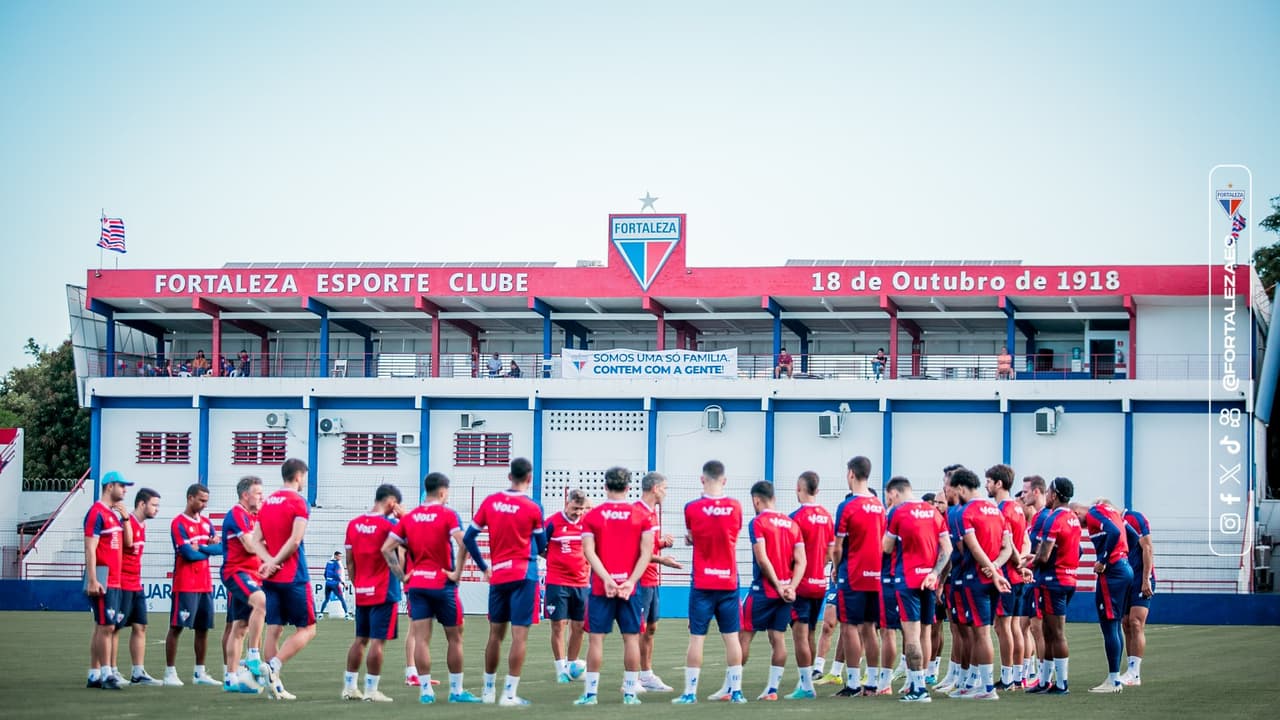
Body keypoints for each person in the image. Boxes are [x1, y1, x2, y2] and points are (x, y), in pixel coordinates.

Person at [385, 472, 483, 704]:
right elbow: (464, 542)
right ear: (442, 492)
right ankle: (456, 691)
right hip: (442, 583)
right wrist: (457, 573)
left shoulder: (410, 518)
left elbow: (387, 548)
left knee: (421, 639)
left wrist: (403, 576)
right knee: (455, 637)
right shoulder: (448, 514)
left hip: (417, 584)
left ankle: (426, 691)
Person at [463, 457, 547, 705]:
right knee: (519, 636)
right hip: (524, 573)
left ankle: (487, 691)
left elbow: (469, 538)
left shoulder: (491, 502)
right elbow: (542, 545)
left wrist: (483, 567)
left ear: (509, 476)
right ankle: (509, 694)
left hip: (498, 574)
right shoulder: (533, 507)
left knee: (495, 635)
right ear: (529, 478)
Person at [573, 467, 655, 706]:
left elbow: (588, 551)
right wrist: (629, 582)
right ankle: (630, 693)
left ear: (605, 486)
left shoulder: (593, 516)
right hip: (631, 589)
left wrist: (607, 579)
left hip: (601, 588)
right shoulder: (642, 516)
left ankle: (590, 694)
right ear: (629, 488)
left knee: (596, 640)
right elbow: (646, 553)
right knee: (631, 639)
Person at [672, 460, 746, 705]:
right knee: (732, 637)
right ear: (724, 480)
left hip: (703, 582)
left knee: (697, 638)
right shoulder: (735, 506)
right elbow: (731, 536)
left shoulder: (691, 508)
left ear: (702, 479)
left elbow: (693, 536)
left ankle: (690, 693)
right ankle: (736, 691)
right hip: (728, 580)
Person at [882, 476, 951, 703]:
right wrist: (934, 573)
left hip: (908, 581)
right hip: (928, 581)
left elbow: (886, 547)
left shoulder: (897, 513)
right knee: (925, 633)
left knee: (911, 636)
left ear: (893, 493)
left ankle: (919, 689)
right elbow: (947, 548)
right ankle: (920, 679)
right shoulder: (933, 512)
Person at [946, 468, 1013, 700]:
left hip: (976, 579)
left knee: (981, 633)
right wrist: (995, 566)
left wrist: (991, 570)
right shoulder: (996, 510)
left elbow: (972, 548)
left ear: (961, 488)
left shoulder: (966, 512)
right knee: (979, 632)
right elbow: (1007, 547)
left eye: (955, 491)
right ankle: (975, 684)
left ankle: (986, 689)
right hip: (993, 578)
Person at [254, 457, 317, 700]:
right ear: (300, 476)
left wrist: (268, 561)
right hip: (292, 575)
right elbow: (295, 540)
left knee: (274, 628)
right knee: (308, 628)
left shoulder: (268, 502)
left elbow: (254, 539)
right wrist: (276, 560)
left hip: (271, 578)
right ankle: (273, 667)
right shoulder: (299, 502)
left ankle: (275, 687)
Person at [739, 481, 805, 701]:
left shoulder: (758, 522)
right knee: (778, 638)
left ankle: (733, 687)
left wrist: (777, 586)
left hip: (763, 591)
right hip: (787, 592)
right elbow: (800, 560)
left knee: (744, 635)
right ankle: (772, 690)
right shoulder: (791, 524)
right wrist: (791, 587)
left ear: (756, 500)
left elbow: (762, 558)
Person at [341, 484, 404, 702]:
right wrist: (403, 577)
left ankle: (349, 687)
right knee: (378, 641)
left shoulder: (354, 524)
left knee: (360, 639)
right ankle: (371, 689)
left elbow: (349, 561)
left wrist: (357, 583)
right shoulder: (391, 525)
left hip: (362, 589)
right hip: (384, 590)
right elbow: (398, 553)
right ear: (392, 502)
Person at [831, 456, 885, 697]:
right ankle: (872, 684)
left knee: (850, 628)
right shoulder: (879, 506)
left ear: (851, 473)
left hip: (852, 574)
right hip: (876, 575)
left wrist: (835, 566)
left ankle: (853, 683)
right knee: (870, 629)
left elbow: (837, 546)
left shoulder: (847, 506)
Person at [164, 483, 223, 687]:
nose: (204, 504)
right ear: (190, 498)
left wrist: (204, 547)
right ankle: (169, 672)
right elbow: (188, 554)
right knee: (177, 627)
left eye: (206, 500)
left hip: (205, 584)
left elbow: (221, 548)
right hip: (185, 584)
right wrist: (208, 548)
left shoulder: (207, 523)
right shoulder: (178, 523)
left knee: (203, 629)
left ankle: (200, 673)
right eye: (201, 500)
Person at [221, 476, 275, 693]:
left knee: (241, 626)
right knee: (261, 601)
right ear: (245, 495)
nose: (262, 497)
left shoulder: (255, 516)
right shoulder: (237, 513)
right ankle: (253, 656)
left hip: (253, 574)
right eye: (258, 493)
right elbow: (251, 546)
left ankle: (231, 678)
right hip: (237, 573)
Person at [1027, 477, 1080, 695]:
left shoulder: (1053, 518)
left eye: (1049, 491)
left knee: (1056, 633)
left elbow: (1045, 554)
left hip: (1053, 581)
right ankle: (1046, 681)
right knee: (1048, 632)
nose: (1047, 495)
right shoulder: (1073, 518)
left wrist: (1028, 563)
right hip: (1067, 580)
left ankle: (1061, 683)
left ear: (1054, 494)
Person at [1075, 499, 1133, 694]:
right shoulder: (1111, 511)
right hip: (1124, 568)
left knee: (1109, 624)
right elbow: (1130, 535)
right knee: (1115, 624)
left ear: (1076, 511)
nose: (1083, 526)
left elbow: (1115, 533)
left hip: (1113, 572)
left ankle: (1113, 679)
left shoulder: (1094, 513)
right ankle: (1114, 677)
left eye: (1079, 521)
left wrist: (1104, 559)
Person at [788, 471, 834, 699]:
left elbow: (790, 554)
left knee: (800, 635)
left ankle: (806, 686)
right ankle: (806, 680)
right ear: (817, 490)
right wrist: (819, 566)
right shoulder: (826, 516)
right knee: (811, 633)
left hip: (801, 585)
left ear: (799, 488)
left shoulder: (795, 518)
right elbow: (830, 551)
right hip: (819, 582)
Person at [84, 471, 133, 690]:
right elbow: (90, 547)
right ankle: (106, 674)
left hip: (115, 578)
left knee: (102, 625)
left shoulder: (112, 514)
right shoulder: (97, 513)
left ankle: (95, 674)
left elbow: (128, 543)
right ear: (109, 486)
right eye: (122, 486)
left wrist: (125, 519)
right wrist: (93, 579)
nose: (125, 490)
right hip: (104, 577)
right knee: (107, 626)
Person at [636, 472, 682, 693]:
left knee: (652, 628)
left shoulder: (652, 513)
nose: (666, 492)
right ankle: (632, 677)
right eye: (664, 488)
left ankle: (646, 675)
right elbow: (635, 551)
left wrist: (662, 543)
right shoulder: (637, 512)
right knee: (638, 628)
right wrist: (662, 559)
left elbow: (649, 545)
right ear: (654, 488)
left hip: (653, 577)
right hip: (640, 579)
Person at [986, 464, 1028, 691]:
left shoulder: (1003, 509)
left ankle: (1007, 677)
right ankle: (1018, 677)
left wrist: (1015, 561)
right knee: (1014, 627)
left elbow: (1008, 543)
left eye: (989, 481)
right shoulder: (1018, 508)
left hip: (1008, 575)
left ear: (998, 483)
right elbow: (1025, 540)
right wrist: (1022, 561)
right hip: (1017, 575)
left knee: (1004, 627)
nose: (986, 485)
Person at [115, 487, 163, 686]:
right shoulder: (126, 523)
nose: (157, 509)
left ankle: (138, 671)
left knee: (140, 626)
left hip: (136, 583)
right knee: (114, 628)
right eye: (154, 505)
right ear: (141, 504)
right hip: (121, 583)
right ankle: (112, 670)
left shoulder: (141, 525)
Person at [544, 490, 590, 683]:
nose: (578, 512)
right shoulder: (552, 522)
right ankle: (560, 668)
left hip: (581, 582)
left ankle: (572, 665)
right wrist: (555, 560)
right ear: (566, 503)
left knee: (579, 626)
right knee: (558, 625)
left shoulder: (587, 523)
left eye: (581, 509)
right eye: (574, 508)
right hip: (557, 582)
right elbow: (539, 547)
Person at [1019, 475, 1050, 689]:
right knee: (1027, 626)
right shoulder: (1037, 520)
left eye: (1025, 491)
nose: (1023, 495)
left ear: (1036, 492)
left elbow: (1076, 549)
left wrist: (1042, 563)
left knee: (1039, 629)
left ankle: (1043, 675)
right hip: (1033, 579)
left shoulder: (1045, 517)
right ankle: (1035, 672)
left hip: (1042, 581)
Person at [1120, 508, 1154, 686]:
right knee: (1126, 623)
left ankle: (1135, 673)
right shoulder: (1114, 524)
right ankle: (1131, 671)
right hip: (1127, 579)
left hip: (1141, 578)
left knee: (1136, 622)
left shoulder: (1134, 518)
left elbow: (1147, 547)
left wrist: (1146, 579)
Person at [320, 551, 351, 619]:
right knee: (342, 599)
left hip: (328, 583)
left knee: (326, 599)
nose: (340, 558)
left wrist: (328, 580)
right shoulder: (337, 563)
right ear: (335, 556)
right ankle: (346, 615)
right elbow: (337, 575)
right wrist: (343, 584)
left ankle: (320, 614)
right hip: (335, 584)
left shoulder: (328, 563)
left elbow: (325, 573)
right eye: (339, 556)